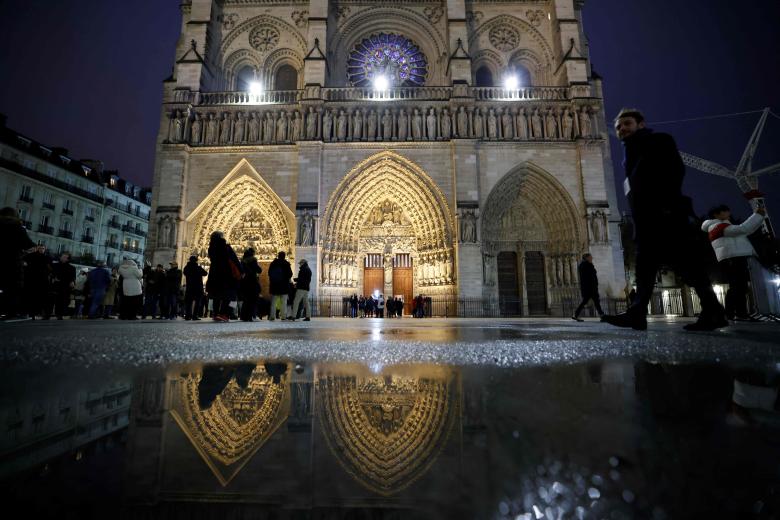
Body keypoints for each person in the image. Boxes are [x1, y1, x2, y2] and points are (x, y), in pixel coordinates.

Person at [601, 108, 727, 331]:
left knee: (688, 267)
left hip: (665, 214)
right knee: (645, 269)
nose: (621, 129)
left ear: (641, 124)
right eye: (619, 126)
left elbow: (674, 171)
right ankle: (637, 314)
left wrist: (667, 206)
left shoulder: (658, 140)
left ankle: (713, 312)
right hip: (646, 219)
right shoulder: (629, 153)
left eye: (627, 124)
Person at [701, 204, 767, 321]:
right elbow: (743, 229)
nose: (728, 213)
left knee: (737, 287)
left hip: (732, 257)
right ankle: (738, 313)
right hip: (732, 257)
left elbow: (745, 230)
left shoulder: (720, 226)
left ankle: (734, 313)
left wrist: (759, 216)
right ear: (716, 214)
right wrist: (757, 215)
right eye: (725, 211)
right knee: (738, 287)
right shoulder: (717, 226)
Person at [0, 206, 35, 320]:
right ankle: (10, 312)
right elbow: (27, 243)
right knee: (12, 287)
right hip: (12, 260)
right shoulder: (17, 227)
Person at [207, 231, 243, 322]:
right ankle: (226, 314)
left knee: (217, 295)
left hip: (215, 275)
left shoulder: (211, 248)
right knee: (231, 297)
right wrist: (241, 271)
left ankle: (216, 314)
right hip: (227, 275)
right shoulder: (225, 247)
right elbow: (234, 260)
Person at [572, 253, 605, 321]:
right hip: (591, 288)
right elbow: (591, 278)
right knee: (595, 302)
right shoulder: (587, 265)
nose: (592, 258)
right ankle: (602, 316)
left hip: (587, 288)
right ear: (586, 258)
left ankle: (576, 314)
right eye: (590, 257)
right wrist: (594, 286)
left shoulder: (583, 265)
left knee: (591, 302)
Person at [23, 244, 52, 319]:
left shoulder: (46, 258)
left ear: (45, 249)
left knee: (38, 297)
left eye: (43, 248)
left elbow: (49, 268)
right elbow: (24, 262)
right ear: (37, 248)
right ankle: (29, 312)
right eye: (40, 248)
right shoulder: (31, 255)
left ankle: (34, 313)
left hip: (41, 280)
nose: (41, 250)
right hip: (31, 279)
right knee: (31, 296)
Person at [267, 251, 292, 321]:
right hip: (284, 286)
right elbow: (290, 274)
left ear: (278, 256)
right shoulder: (286, 264)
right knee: (283, 302)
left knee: (273, 302)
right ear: (284, 256)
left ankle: (272, 316)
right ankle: (283, 316)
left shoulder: (273, 263)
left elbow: (269, 273)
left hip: (274, 286)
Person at [51, 252, 76, 319]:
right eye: (62, 256)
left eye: (65, 257)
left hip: (65, 288)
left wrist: (72, 282)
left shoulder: (72, 268)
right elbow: (51, 274)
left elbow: (73, 277)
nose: (62, 258)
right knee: (53, 301)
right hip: (55, 286)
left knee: (63, 302)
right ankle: (48, 314)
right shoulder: (54, 265)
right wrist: (53, 278)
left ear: (68, 259)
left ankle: (60, 314)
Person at [239, 248, 262, 322]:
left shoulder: (242, 262)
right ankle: (251, 315)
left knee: (246, 300)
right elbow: (259, 270)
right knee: (253, 299)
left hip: (244, 282)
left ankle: (243, 316)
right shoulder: (253, 260)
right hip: (252, 281)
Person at [183, 255, 207, 320]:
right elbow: (205, 273)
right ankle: (194, 316)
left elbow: (184, 273)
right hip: (197, 288)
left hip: (189, 287)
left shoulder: (186, 268)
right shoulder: (198, 268)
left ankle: (188, 315)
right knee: (197, 302)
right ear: (196, 261)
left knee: (189, 302)